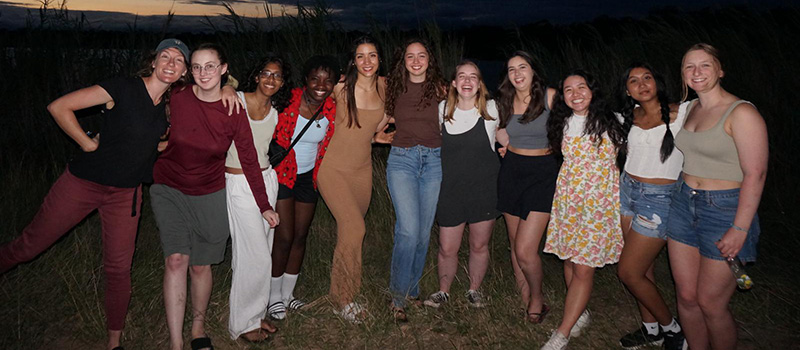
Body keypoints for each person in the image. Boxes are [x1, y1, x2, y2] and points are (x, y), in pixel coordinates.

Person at [0, 38, 188, 350]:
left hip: (125, 194)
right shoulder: (123, 87)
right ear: (153, 62)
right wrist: (87, 144)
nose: (171, 63)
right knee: (28, 247)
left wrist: (173, 145)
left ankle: (114, 342)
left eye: (179, 60)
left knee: (117, 269)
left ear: (183, 72)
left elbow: (147, 146)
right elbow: (59, 107)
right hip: (84, 183)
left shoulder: (167, 109)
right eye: (165, 56)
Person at [150, 43, 278, 350]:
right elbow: (147, 96)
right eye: (196, 67)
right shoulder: (178, 97)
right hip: (169, 187)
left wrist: (264, 205)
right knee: (177, 260)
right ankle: (176, 342)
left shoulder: (233, 109)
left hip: (209, 191)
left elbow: (248, 157)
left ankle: (197, 328)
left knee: (201, 266)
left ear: (223, 69)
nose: (202, 73)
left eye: (210, 66)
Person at [667, 43, 767, 350]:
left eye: (705, 65)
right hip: (683, 202)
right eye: (689, 67)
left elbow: (756, 174)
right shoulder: (691, 109)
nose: (696, 72)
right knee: (686, 297)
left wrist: (740, 228)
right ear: (683, 75)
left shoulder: (742, 112)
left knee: (710, 303)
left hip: (724, 209)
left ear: (720, 70)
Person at [541, 70, 626, 350]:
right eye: (568, 89)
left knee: (583, 269)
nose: (576, 93)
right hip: (569, 202)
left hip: (598, 207)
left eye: (582, 87)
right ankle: (580, 313)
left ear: (593, 90)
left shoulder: (615, 121)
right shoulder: (561, 123)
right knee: (569, 259)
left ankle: (562, 333)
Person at [317, 35, 394, 323]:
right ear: (352, 60)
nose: (366, 62)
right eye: (360, 56)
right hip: (332, 168)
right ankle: (343, 300)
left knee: (351, 234)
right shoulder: (338, 87)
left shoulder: (387, 87)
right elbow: (302, 98)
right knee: (354, 228)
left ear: (379, 58)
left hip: (362, 170)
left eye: (372, 55)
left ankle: (347, 289)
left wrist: (376, 137)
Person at [615, 63, 687, 350]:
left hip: (659, 198)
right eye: (633, 80)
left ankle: (673, 329)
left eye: (647, 77)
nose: (641, 84)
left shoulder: (681, 113)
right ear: (627, 89)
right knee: (643, 269)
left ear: (657, 81)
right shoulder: (627, 117)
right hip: (627, 191)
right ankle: (651, 329)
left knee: (628, 271)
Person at [423, 60, 499, 311]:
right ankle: (443, 292)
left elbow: (511, 131)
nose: (467, 81)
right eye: (462, 77)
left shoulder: (492, 109)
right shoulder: (442, 109)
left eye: (473, 77)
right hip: (450, 191)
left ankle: (474, 290)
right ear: (453, 83)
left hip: (484, 190)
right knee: (447, 247)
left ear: (479, 84)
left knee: (479, 245)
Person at [225, 54, 291, 342]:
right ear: (256, 75)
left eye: (277, 76)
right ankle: (242, 324)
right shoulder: (234, 99)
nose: (270, 79)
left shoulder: (277, 110)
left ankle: (254, 315)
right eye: (266, 73)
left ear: (282, 83)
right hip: (238, 183)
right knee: (255, 256)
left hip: (267, 180)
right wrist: (227, 85)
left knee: (263, 247)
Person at [268, 55, 339, 320]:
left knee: (300, 236)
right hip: (283, 176)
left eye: (328, 80)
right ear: (305, 80)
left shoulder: (332, 108)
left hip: (309, 178)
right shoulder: (287, 100)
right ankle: (272, 297)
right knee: (284, 236)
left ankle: (288, 295)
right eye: (315, 79)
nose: (321, 85)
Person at [384, 38, 446, 321]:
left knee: (422, 234)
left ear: (429, 60)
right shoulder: (392, 87)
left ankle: (412, 288)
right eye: (411, 56)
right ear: (404, 61)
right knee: (407, 230)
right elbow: (376, 117)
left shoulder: (441, 89)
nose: (417, 61)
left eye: (422, 56)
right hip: (402, 160)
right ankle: (397, 297)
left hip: (434, 162)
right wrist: (374, 136)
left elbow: (468, 110)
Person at [494, 51, 557, 324]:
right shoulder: (504, 101)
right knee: (513, 244)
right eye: (511, 69)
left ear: (533, 71)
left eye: (523, 67)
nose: (517, 73)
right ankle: (525, 298)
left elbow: (583, 114)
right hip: (511, 173)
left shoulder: (551, 96)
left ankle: (537, 297)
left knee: (525, 249)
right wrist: (500, 142)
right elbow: (498, 129)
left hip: (543, 175)